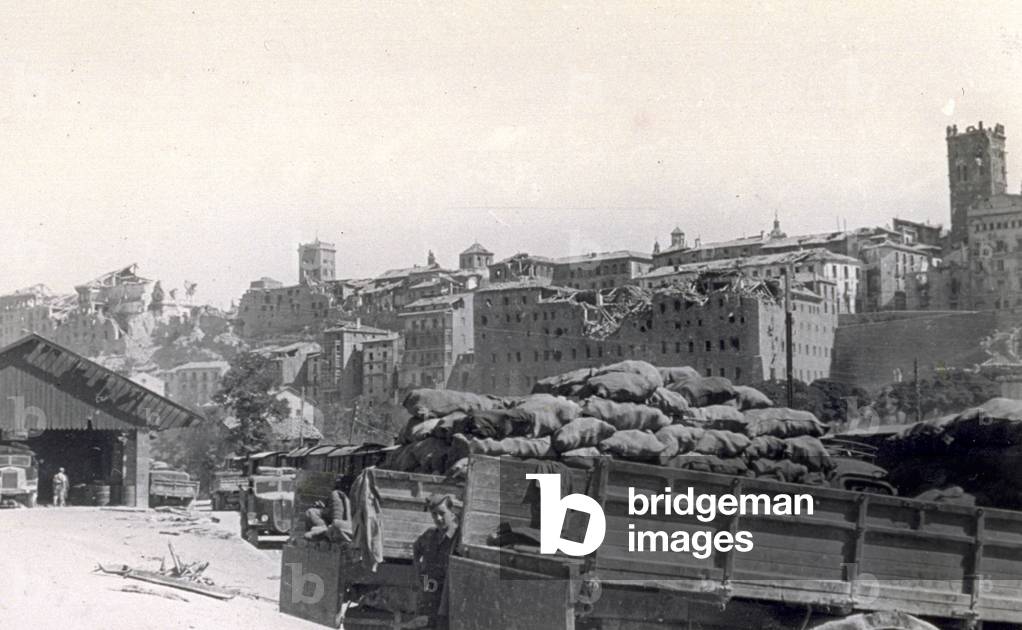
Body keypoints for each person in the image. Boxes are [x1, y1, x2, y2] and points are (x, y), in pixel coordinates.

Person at [412, 493, 462, 629]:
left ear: (452, 513)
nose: (438, 518)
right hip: (428, 599)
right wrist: (419, 575)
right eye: (434, 514)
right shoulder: (429, 535)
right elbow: (416, 549)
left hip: (446, 602)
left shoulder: (458, 539)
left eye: (442, 513)